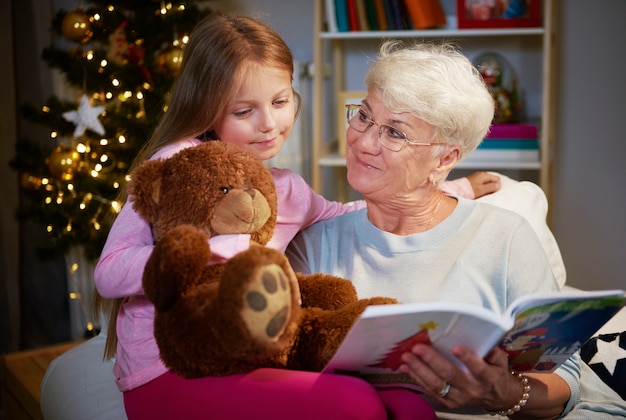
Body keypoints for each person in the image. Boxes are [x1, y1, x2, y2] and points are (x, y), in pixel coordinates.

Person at [95, 13, 498, 419]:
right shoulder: (177, 168)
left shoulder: (287, 189)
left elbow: (346, 213)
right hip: (170, 367)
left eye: (280, 101)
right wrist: (210, 250)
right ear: (208, 108)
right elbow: (108, 272)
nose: (269, 124)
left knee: (408, 404)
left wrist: (448, 188)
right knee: (354, 404)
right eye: (243, 111)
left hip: (251, 351)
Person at [286, 40, 581, 419]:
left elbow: (563, 383)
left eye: (395, 132)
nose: (363, 141)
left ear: (444, 159)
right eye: (363, 115)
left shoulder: (505, 238)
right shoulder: (313, 245)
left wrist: (503, 392)